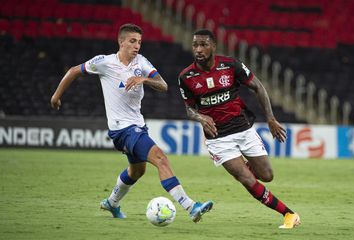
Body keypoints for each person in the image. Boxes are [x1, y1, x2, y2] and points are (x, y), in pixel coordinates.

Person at [50, 23, 213, 222]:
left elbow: (163, 85)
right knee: (160, 158)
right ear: (121, 41)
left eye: (139, 42)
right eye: (132, 41)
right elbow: (75, 70)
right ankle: (190, 206)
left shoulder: (141, 62)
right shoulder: (104, 62)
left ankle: (112, 202)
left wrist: (143, 79)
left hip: (137, 126)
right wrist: (56, 96)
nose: (137, 46)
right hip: (122, 129)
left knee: (137, 170)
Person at [177, 29, 300, 229]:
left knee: (267, 176)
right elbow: (189, 110)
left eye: (203, 44)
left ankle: (244, 167)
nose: (198, 49)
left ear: (213, 46)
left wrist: (270, 118)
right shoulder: (186, 76)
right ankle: (289, 214)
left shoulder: (230, 65)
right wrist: (200, 117)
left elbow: (258, 87)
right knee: (247, 180)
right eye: (195, 45)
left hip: (243, 129)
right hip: (218, 139)